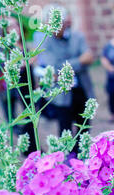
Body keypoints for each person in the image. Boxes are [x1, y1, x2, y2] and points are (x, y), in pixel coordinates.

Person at [37, 5, 95, 148]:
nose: (57, 27)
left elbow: (89, 58)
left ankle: (83, 154)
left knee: (84, 127)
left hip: (82, 89)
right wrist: (79, 61)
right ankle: (68, 158)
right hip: (61, 94)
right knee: (65, 129)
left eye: (59, 23)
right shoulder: (44, 42)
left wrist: (67, 66)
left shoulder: (78, 37)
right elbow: (54, 67)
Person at [0, 16, 37, 154]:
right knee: (13, 114)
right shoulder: (5, 46)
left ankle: (32, 145)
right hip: (9, 84)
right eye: (11, 27)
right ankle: (23, 145)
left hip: (26, 83)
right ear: (5, 30)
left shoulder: (22, 43)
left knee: (30, 114)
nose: (15, 29)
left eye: (16, 25)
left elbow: (32, 60)